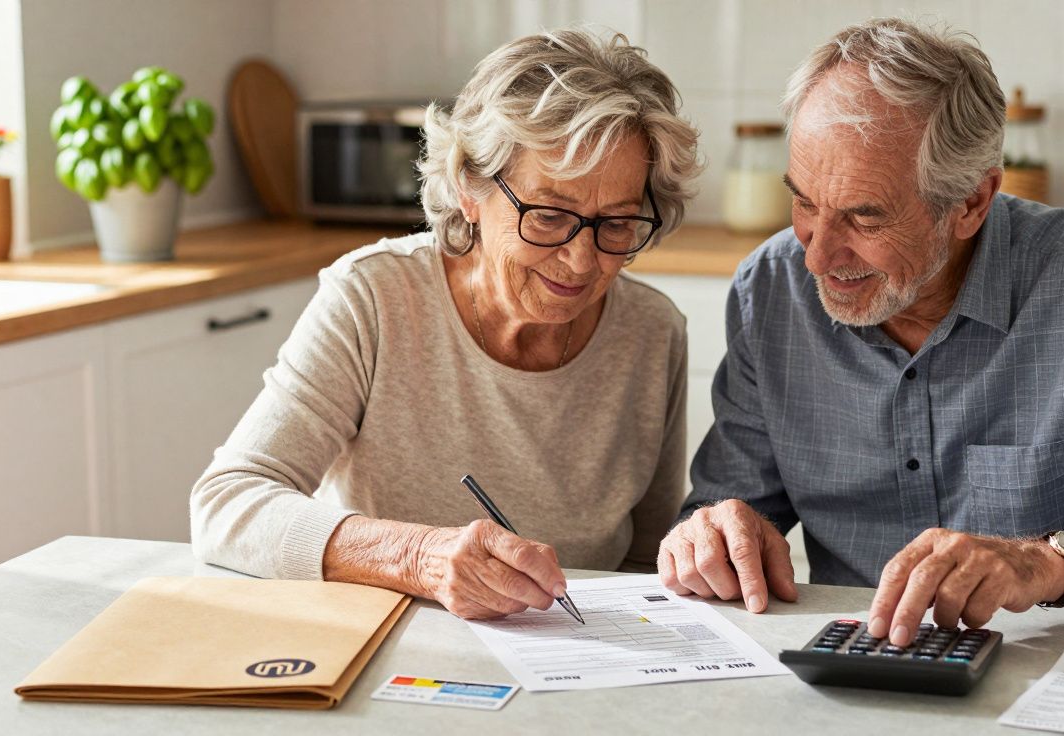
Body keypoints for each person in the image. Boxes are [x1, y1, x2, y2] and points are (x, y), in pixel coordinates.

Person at [657, 18, 1064, 646]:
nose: (817, 257)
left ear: (973, 202)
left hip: (1043, 664)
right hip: (849, 669)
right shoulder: (772, 289)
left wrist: (1043, 564)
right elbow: (731, 511)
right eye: (805, 203)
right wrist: (713, 531)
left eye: (865, 217)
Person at [191, 27, 701, 620]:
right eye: (550, 214)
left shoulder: (653, 331)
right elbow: (228, 504)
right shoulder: (374, 298)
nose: (583, 262)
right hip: (386, 650)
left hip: (580, 658)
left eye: (616, 223)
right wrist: (418, 556)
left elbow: (649, 560)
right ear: (470, 189)